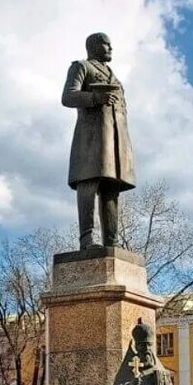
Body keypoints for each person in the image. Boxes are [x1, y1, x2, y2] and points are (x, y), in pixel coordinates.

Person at [62, 32, 136, 250]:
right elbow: (68, 97)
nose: (111, 48)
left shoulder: (115, 77)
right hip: (91, 140)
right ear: (94, 46)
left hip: (116, 141)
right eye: (106, 44)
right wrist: (95, 98)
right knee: (88, 183)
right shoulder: (82, 67)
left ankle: (111, 242)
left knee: (111, 188)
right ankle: (86, 240)